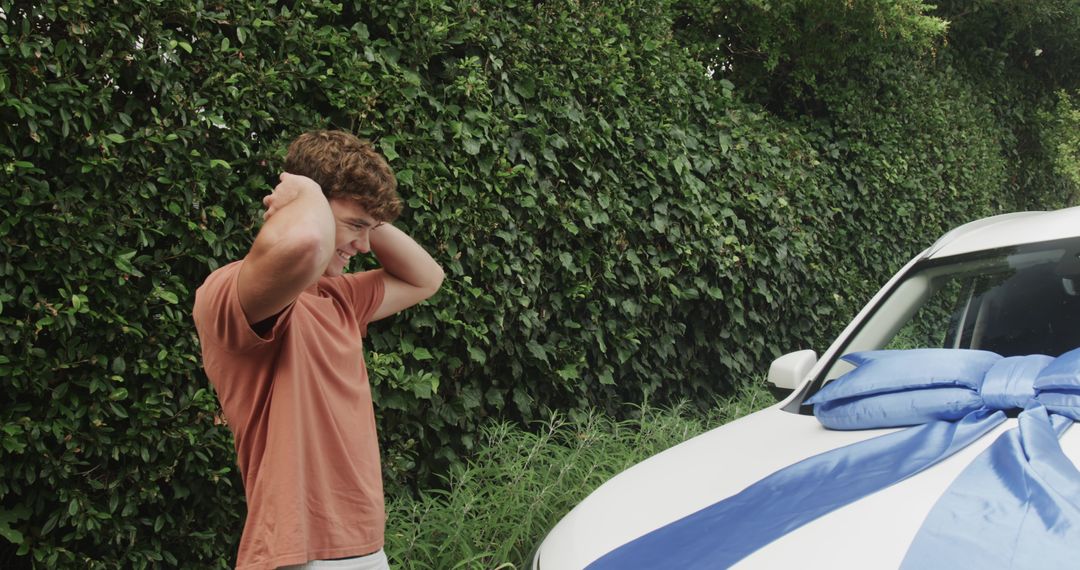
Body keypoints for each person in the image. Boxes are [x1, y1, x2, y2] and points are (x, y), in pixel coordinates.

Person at [192, 130, 444, 570]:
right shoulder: (232, 294)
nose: (364, 247)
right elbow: (304, 244)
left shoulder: (339, 298)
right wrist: (306, 190)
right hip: (300, 553)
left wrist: (366, 217)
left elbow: (427, 277)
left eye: (371, 231)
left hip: (363, 543)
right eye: (354, 227)